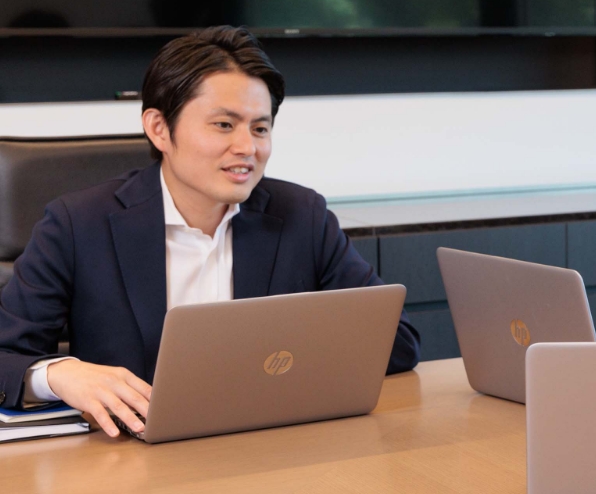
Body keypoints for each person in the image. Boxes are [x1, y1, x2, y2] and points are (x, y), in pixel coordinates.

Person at [0, 26, 420, 435]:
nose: (247, 148)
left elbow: (398, 344)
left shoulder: (301, 216)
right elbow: (5, 356)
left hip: (267, 452)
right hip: (129, 460)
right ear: (159, 128)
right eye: (224, 125)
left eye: (260, 128)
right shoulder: (77, 224)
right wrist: (58, 373)